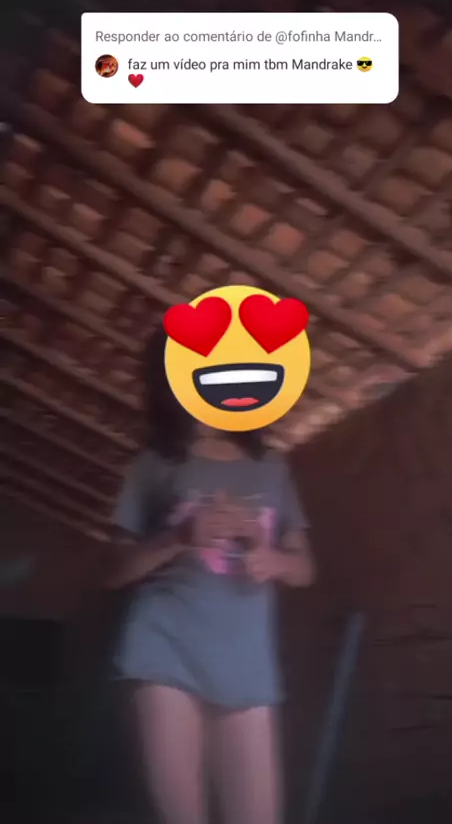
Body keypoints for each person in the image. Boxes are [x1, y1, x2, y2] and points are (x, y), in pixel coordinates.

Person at [104, 328, 315, 824]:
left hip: (247, 662)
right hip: (166, 650)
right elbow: (112, 571)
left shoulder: (271, 468)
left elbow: (304, 568)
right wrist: (178, 538)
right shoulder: (155, 465)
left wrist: (274, 559)